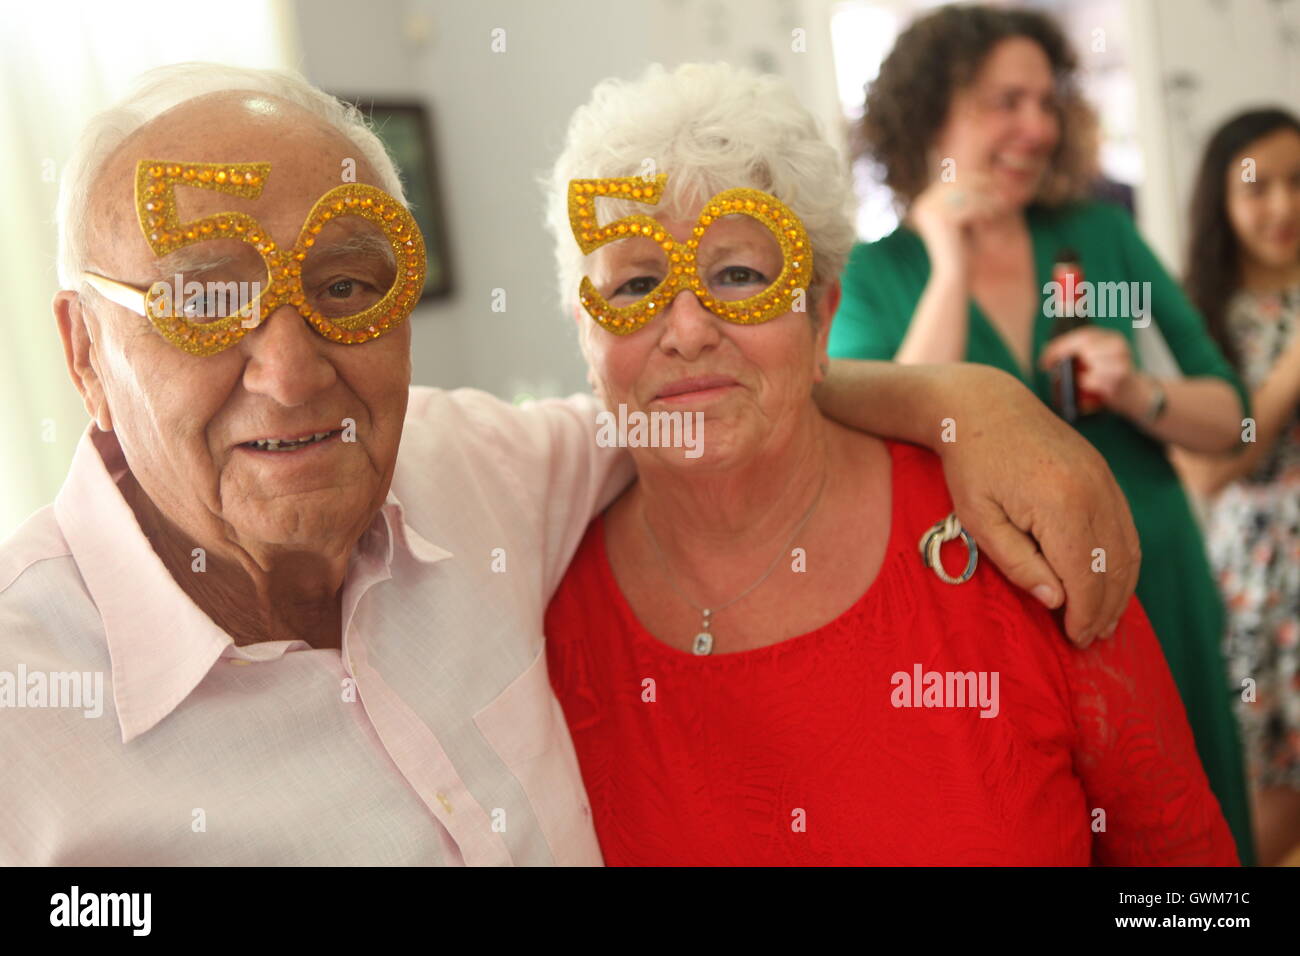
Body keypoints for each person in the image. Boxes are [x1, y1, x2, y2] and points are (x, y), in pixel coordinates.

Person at [0, 62, 1138, 865]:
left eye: (348, 285)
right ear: (81, 348)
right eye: (204, 298)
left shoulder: (479, 471)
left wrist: (969, 400)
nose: (291, 371)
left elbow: (701, 400)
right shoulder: (22, 725)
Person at [541, 61, 1236, 866]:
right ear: (585, 340)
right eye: (634, 286)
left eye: (739, 273)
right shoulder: (538, 604)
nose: (688, 329)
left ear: (822, 311)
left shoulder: (1006, 542)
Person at [827, 4, 1254, 863]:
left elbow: (1232, 416)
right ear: (928, 113)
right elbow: (889, 423)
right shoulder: (873, 274)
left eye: (1046, 101)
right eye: (1004, 102)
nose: (1036, 126)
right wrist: (948, 264)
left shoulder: (1098, 237)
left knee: (1191, 847)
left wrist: (1140, 393)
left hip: (1148, 570)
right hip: (995, 612)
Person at [1173, 108, 1300, 866]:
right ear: (1221, 200)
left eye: (1298, 182)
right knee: (1266, 808)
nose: (1282, 204)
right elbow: (1209, 470)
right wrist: (1288, 376)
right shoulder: (1198, 319)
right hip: (1259, 584)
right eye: (1258, 186)